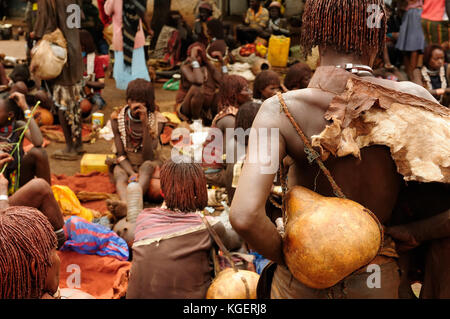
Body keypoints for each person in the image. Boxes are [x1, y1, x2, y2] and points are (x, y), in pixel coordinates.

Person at [229, 0, 447, 299]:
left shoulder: (280, 111)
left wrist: (303, 261)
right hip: (378, 278)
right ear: (377, 36)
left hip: (302, 288)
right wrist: (417, 233)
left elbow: (244, 215)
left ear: (315, 35)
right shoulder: (416, 100)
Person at [126, 160, 239, 299]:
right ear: (200, 190)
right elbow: (236, 242)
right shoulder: (209, 226)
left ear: (163, 191)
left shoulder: (144, 218)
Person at [107, 79, 169, 218]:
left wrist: (144, 123)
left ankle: (132, 205)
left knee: (147, 166)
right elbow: (120, 154)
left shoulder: (157, 120)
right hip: (127, 163)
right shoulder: (117, 118)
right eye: (132, 100)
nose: (135, 104)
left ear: (148, 103)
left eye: (140, 101)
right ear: (127, 100)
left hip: (150, 164)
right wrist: (130, 173)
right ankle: (126, 204)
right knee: (118, 173)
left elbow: (148, 156)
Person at [33, 0, 84, 160]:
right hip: (75, 52)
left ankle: (70, 147)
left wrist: (35, 35)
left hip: (60, 55)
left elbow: (44, 28)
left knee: (62, 103)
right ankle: (78, 143)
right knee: (74, 101)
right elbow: (78, 19)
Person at [202, 75, 252, 187]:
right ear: (234, 94)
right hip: (215, 174)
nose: (250, 92)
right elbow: (228, 157)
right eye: (246, 90)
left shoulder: (234, 113)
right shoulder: (230, 119)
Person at [0, 92, 50, 194]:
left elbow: (38, 141)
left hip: (19, 177)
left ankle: (47, 196)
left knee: (39, 152)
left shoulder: (18, 126)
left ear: (10, 115)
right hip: (1, 180)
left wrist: (25, 107)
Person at [104, 0, 152, 90]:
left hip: (121, 39)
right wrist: (149, 29)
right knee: (138, 65)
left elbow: (107, 11)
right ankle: (139, 88)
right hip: (136, 37)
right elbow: (143, 13)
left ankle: (130, 89)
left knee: (124, 67)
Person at [177, 43, 225, 125]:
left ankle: (213, 118)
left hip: (206, 108)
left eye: (198, 56)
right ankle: (196, 121)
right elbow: (199, 81)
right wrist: (194, 61)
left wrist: (222, 62)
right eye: (193, 56)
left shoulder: (208, 67)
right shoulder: (186, 67)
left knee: (223, 90)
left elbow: (225, 82)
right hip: (187, 108)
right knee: (198, 88)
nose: (196, 58)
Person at [396, 0, 426, 80]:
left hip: (417, 15)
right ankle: (411, 75)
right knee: (413, 47)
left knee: (416, 47)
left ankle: (412, 75)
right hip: (413, 15)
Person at [79, 29, 107, 115]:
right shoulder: (73, 59)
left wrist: (85, 82)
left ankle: (89, 114)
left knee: (98, 103)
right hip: (77, 94)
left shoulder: (95, 60)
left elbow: (101, 84)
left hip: (91, 94)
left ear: (83, 45)